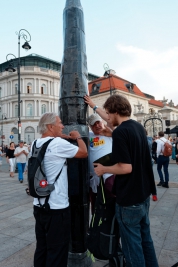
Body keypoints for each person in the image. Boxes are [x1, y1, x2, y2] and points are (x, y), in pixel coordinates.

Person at [94, 94, 158, 267]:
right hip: (143, 195)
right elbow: (130, 145)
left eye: (108, 113)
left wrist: (104, 169)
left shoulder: (121, 131)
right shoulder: (137, 127)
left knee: (132, 247)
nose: (106, 117)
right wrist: (94, 106)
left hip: (129, 198)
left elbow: (126, 167)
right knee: (146, 241)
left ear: (115, 111)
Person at [32, 112, 87, 267]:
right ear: (51, 126)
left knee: (42, 247)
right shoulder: (58, 144)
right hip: (57, 207)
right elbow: (83, 153)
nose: (63, 126)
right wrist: (77, 137)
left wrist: (59, 137)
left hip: (39, 204)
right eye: (60, 123)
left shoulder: (35, 143)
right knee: (57, 251)